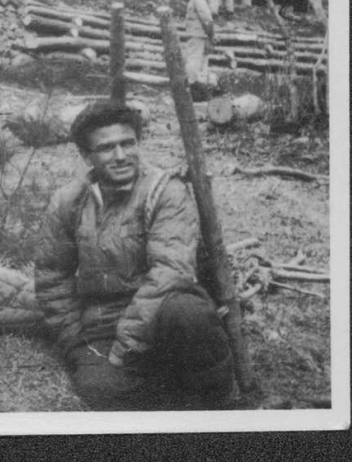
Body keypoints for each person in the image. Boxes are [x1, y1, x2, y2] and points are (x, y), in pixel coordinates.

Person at [33, 100, 233, 411]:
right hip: (103, 322)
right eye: (107, 148)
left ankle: (215, 409)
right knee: (100, 389)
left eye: (128, 143)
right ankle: (173, 395)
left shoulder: (165, 191)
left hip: (163, 311)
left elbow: (170, 272)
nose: (121, 156)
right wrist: (75, 342)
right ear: (87, 156)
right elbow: (51, 276)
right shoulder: (68, 202)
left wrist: (127, 344)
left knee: (189, 315)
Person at [183, 0, 215, 97]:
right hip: (194, 36)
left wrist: (210, 37)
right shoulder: (193, 0)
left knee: (193, 63)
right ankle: (199, 92)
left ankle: (194, 91)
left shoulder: (198, 0)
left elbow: (207, 20)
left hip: (198, 36)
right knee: (196, 63)